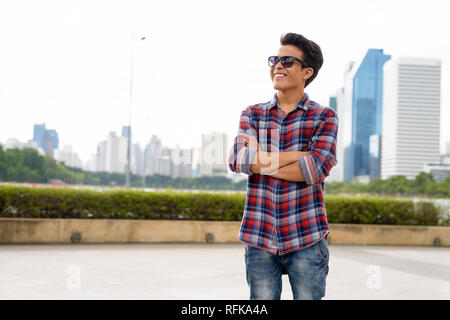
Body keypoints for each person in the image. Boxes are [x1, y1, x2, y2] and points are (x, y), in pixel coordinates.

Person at [228, 32, 338, 300]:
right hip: (259, 235)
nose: (277, 65)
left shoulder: (324, 117)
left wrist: (261, 160)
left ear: (307, 72)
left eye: (287, 61)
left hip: (306, 236)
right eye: (275, 60)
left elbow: (314, 170)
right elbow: (238, 160)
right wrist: (298, 154)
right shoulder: (252, 114)